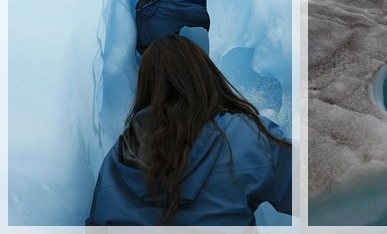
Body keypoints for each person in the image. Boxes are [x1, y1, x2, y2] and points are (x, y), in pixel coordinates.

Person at [86, 35, 292, 225]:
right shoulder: (246, 135)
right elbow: (313, 191)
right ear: (205, 75)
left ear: (146, 86)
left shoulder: (117, 160)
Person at [135, 0, 210, 54]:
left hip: (147, 61)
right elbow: (202, 16)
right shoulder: (169, 3)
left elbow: (138, 43)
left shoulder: (139, 9)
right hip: (168, 58)